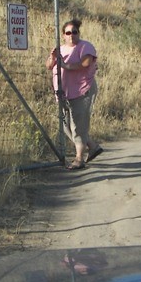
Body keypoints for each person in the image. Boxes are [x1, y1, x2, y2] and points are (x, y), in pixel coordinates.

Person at [46, 18, 103, 170]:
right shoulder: (60, 48)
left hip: (82, 90)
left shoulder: (85, 46)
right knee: (65, 125)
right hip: (63, 92)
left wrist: (65, 65)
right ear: (63, 35)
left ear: (79, 33)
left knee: (78, 125)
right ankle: (92, 146)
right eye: (68, 32)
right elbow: (48, 65)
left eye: (74, 32)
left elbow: (85, 63)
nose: (71, 35)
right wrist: (53, 58)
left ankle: (79, 159)